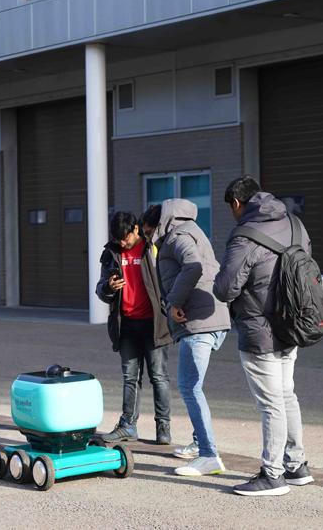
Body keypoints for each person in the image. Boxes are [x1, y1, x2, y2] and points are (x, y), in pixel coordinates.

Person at [213, 175, 314, 497]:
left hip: (260, 330)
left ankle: (272, 475)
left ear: (237, 203)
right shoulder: (295, 224)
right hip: (293, 324)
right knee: (286, 396)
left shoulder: (245, 236)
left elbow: (225, 288)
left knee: (271, 404)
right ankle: (296, 466)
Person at [141, 200, 231, 477]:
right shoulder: (190, 229)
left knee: (190, 387)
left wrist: (174, 302)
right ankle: (198, 442)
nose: (147, 238)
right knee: (195, 386)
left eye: (147, 232)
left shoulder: (176, 236)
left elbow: (193, 266)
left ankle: (208, 454)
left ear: (156, 225)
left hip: (198, 320)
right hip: (212, 318)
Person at [95, 212, 173, 445]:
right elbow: (100, 289)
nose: (122, 243)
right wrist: (109, 287)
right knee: (130, 377)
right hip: (126, 324)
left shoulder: (153, 248)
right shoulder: (111, 253)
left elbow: (170, 280)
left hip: (154, 323)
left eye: (125, 238)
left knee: (158, 376)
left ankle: (163, 427)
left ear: (136, 230)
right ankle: (128, 424)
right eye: (117, 239)